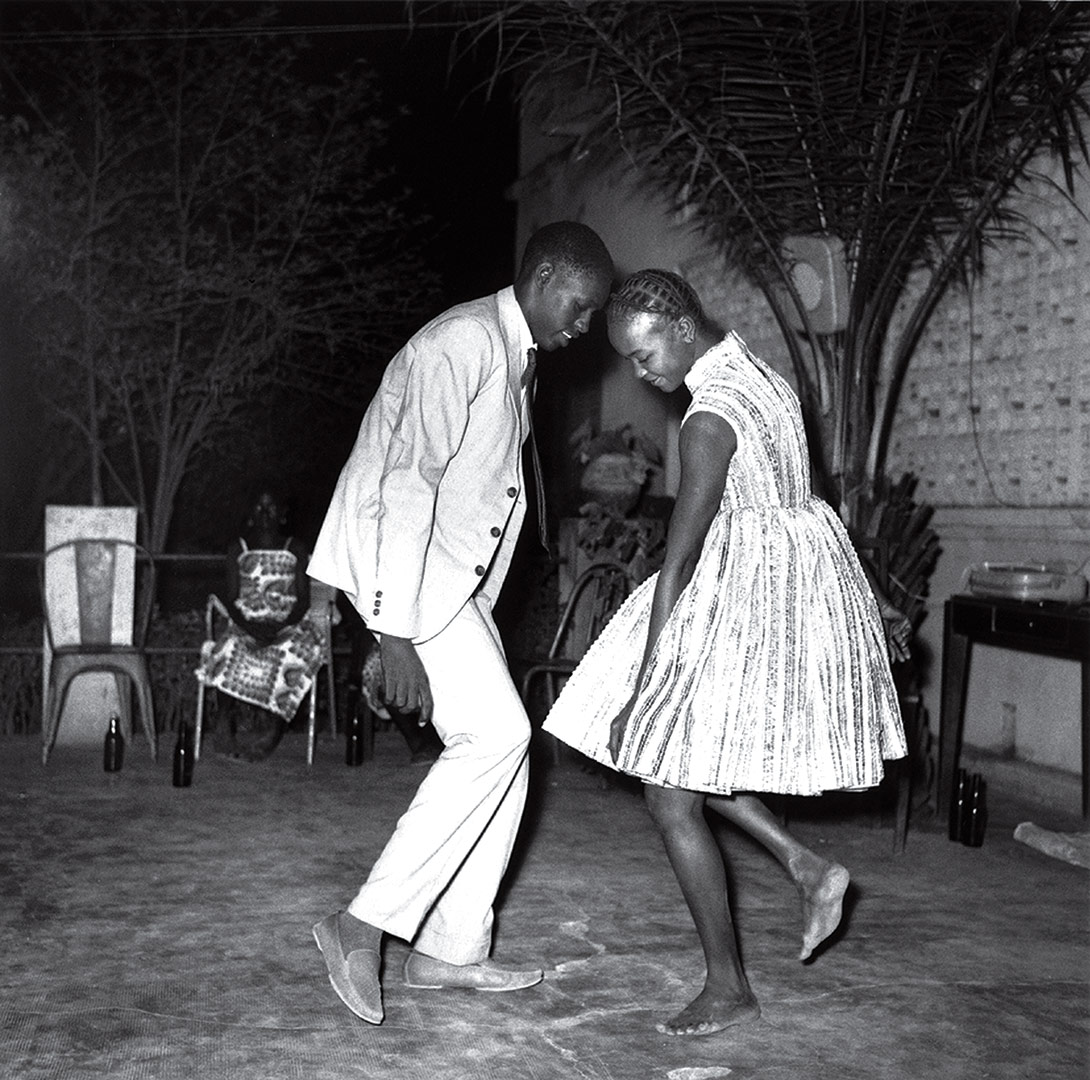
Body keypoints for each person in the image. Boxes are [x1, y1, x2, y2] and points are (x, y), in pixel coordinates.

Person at [543, 269, 910, 1038]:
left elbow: (676, 562)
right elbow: (802, 497)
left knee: (667, 787)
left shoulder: (707, 418)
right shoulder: (763, 373)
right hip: (788, 586)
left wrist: (644, 691)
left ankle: (728, 984)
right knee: (685, 770)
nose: (643, 374)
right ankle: (805, 866)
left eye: (644, 357)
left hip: (738, 601)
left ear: (680, 328)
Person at [307, 221, 614, 1025]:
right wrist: (392, 632)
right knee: (501, 738)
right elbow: (408, 483)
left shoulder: (511, 352)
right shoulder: (464, 341)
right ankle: (358, 925)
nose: (583, 326)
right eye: (579, 307)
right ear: (544, 276)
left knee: (508, 750)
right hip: (407, 582)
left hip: (449, 586)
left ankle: (449, 952)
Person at [196, 487, 327, 761]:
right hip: (247, 621)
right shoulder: (239, 548)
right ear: (251, 515)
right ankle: (223, 724)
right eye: (259, 508)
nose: (265, 514)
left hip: (289, 623)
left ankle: (272, 731)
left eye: (271, 508)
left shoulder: (295, 547)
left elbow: (302, 600)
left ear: (282, 515)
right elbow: (232, 598)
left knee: (294, 652)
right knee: (230, 645)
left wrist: (281, 627)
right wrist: (249, 625)